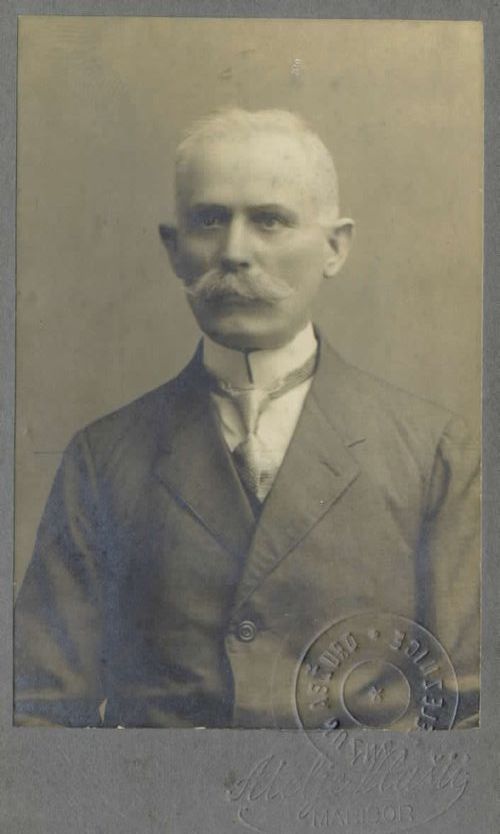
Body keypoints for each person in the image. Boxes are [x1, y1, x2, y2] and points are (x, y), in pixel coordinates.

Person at [14, 108, 480, 729]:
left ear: (335, 246)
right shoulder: (103, 459)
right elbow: (41, 715)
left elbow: (469, 716)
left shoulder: (434, 454)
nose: (234, 253)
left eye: (270, 220)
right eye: (209, 221)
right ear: (174, 248)